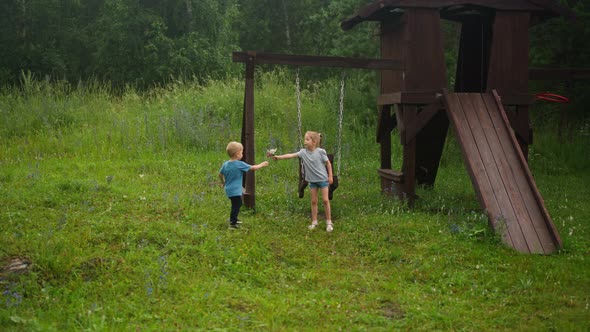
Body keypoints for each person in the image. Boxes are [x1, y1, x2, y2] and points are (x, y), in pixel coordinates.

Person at [273, 131, 334, 232]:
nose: (304, 141)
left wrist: (330, 176)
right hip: (312, 181)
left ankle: (328, 222)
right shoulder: (303, 152)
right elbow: (291, 155)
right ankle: (314, 222)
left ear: (314, 142)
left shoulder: (320, 152)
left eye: (307, 139)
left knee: (325, 200)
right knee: (314, 201)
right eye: (304, 139)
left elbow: (328, 163)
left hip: (323, 179)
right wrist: (278, 157)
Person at [219, 141, 269, 229]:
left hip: (228, 189)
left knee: (236, 204)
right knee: (236, 205)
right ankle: (233, 223)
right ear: (238, 154)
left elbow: (220, 174)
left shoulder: (226, 164)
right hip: (235, 191)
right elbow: (253, 168)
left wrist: (223, 182)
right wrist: (262, 164)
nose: (242, 154)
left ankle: (234, 218)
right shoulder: (239, 164)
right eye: (242, 152)